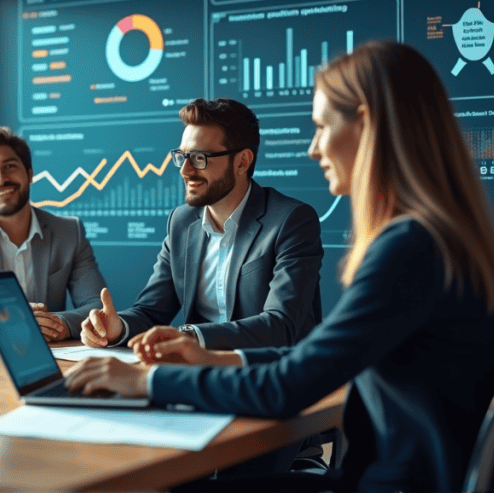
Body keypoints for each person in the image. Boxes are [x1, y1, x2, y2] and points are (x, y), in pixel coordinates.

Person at [64, 40, 494, 493]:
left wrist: (148, 381)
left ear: (366, 125)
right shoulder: (443, 238)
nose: (314, 149)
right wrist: (214, 358)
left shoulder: (407, 247)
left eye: (320, 127)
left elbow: (288, 386)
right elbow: (317, 359)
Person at [82, 98, 323, 355]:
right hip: (199, 374)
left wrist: (190, 336)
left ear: (242, 161)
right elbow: (151, 311)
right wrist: (117, 328)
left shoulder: (291, 220)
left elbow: (280, 325)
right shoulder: (181, 222)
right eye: (182, 156)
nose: (185, 170)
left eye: (199, 158)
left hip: (270, 376)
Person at [0, 127, 107, 341]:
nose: (1, 178)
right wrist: (6, 325)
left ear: (29, 175)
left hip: (53, 353)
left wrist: (60, 324)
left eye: (9, 166)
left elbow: (96, 305)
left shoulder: (70, 232)